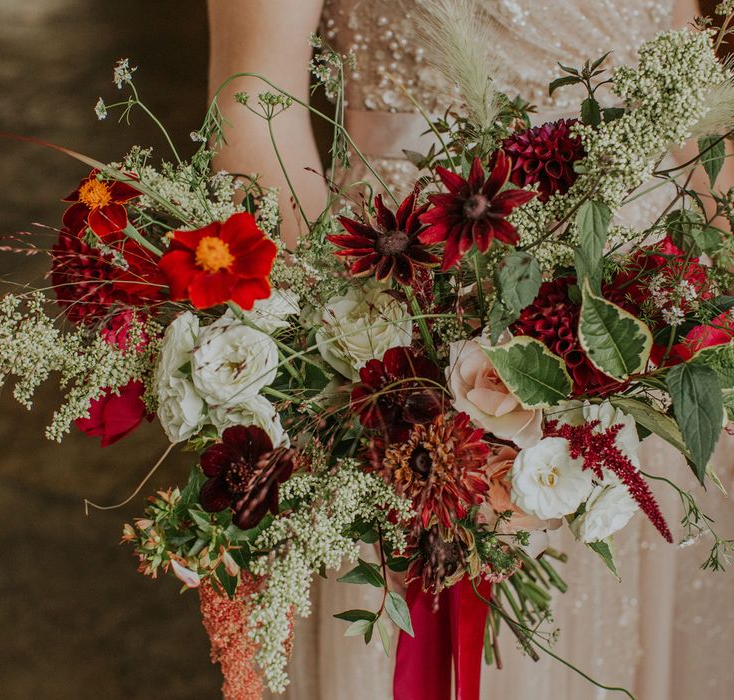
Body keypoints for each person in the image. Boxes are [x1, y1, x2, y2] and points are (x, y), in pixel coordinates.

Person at [207, 1, 734, 698]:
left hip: (647, 323)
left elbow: (693, 72)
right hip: (408, 307)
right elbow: (253, 97)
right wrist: (345, 355)